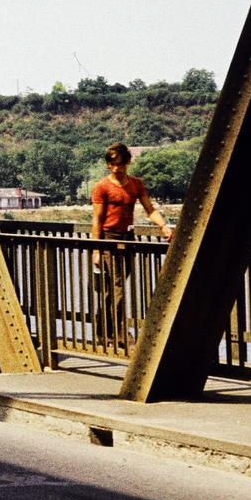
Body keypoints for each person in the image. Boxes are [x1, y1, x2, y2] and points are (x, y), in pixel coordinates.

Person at [90, 142, 172, 348]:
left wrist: (164, 226)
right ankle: (121, 336)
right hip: (109, 239)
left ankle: (103, 333)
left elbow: (149, 209)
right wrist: (97, 250)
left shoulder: (136, 184)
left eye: (121, 164)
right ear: (108, 165)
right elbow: (97, 221)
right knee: (117, 287)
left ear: (127, 163)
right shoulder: (101, 187)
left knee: (113, 289)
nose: (117, 168)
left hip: (128, 238)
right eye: (113, 164)